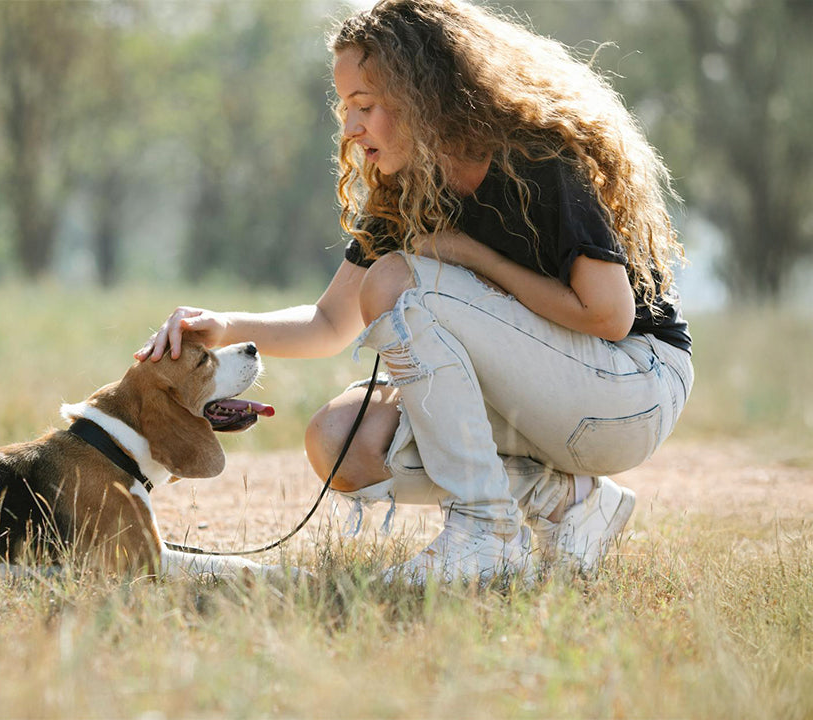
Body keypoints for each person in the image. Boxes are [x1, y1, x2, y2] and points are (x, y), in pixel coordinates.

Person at [136, 0, 692, 584]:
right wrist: (225, 326)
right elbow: (329, 324)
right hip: (547, 404)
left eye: (365, 106)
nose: (351, 129)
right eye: (346, 108)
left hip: (630, 392)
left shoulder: (538, 157)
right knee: (341, 440)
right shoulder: (407, 188)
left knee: (400, 280)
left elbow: (607, 315)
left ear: (423, 95)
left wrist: (467, 253)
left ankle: (485, 534)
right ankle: (568, 503)